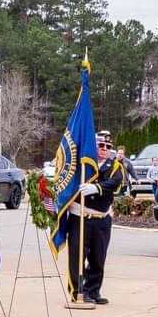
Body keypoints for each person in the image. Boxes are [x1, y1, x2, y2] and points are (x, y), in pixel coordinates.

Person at [65, 130, 125, 307]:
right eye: (101, 145)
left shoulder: (114, 166)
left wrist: (96, 188)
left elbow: (115, 183)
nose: (105, 149)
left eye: (108, 146)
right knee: (77, 256)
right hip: (80, 216)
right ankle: (77, 291)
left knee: (98, 257)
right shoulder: (81, 164)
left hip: (101, 218)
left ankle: (93, 290)